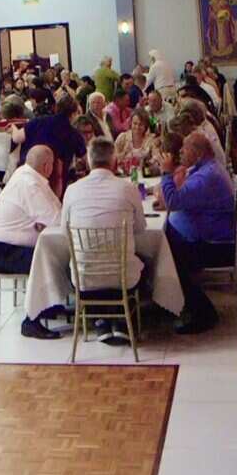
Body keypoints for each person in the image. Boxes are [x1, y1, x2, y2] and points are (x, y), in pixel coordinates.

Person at [58, 137, 147, 342]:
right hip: (123, 279)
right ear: (114, 161)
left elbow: (65, 231)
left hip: (84, 278)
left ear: (89, 161)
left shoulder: (72, 190)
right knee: (144, 261)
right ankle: (124, 318)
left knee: (75, 263)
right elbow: (140, 228)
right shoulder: (128, 188)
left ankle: (99, 319)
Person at [159, 132, 235, 333]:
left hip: (215, 246)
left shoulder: (207, 177)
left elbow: (173, 201)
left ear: (199, 153)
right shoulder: (206, 168)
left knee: (166, 253)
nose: (180, 152)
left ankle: (203, 313)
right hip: (207, 236)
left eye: (185, 149)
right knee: (163, 241)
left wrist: (166, 174)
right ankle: (169, 299)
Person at [0, 145, 62, 339]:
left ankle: (47, 305)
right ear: (47, 166)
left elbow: (53, 210)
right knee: (48, 261)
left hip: (4, 246)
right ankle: (31, 321)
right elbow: (57, 219)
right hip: (3, 253)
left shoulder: (26, 174)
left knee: (53, 255)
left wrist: (43, 222)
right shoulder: (30, 184)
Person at [18, 97, 86, 198]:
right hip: (55, 183)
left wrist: (12, 128)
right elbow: (85, 158)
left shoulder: (37, 121)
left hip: (29, 174)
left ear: (56, 108)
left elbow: (17, 138)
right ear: (73, 114)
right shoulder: (74, 134)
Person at [113, 108, 158, 175]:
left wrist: (147, 163)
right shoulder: (122, 137)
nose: (137, 127)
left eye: (141, 124)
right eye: (135, 123)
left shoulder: (152, 139)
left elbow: (156, 158)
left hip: (145, 175)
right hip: (123, 175)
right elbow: (113, 157)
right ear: (130, 123)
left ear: (146, 126)